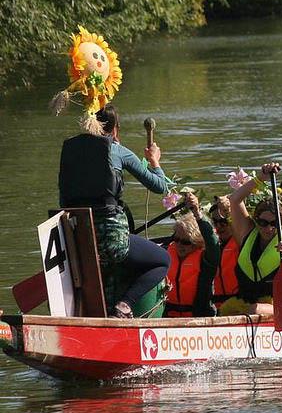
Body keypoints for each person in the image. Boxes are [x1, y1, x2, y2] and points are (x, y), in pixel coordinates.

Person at [58, 105, 172, 318]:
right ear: (115, 129)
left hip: (78, 243)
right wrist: (155, 161)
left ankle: (105, 317)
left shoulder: (69, 152)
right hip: (112, 242)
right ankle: (125, 306)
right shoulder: (117, 151)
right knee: (163, 260)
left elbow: (63, 201)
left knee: (110, 270)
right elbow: (160, 186)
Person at [223, 162, 282, 316]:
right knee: (232, 311)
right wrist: (262, 177)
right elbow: (235, 199)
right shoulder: (247, 233)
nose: (268, 228)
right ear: (256, 220)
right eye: (263, 223)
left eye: (274, 223)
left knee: (254, 310)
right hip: (245, 303)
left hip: (280, 305)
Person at [165, 192, 220, 318]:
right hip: (169, 317)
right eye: (177, 239)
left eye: (185, 242)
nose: (179, 245)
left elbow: (212, 241)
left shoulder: (207, 259)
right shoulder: (167, 253)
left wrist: (197, 213)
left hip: (199, 318)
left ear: (197, 242)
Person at [209, 196, 240, 308]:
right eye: (215, 222)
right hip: (218, 304)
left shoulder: (241, 242)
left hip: (240, 303)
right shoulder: (213, 244)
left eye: (223, 222)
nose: (218, 226)